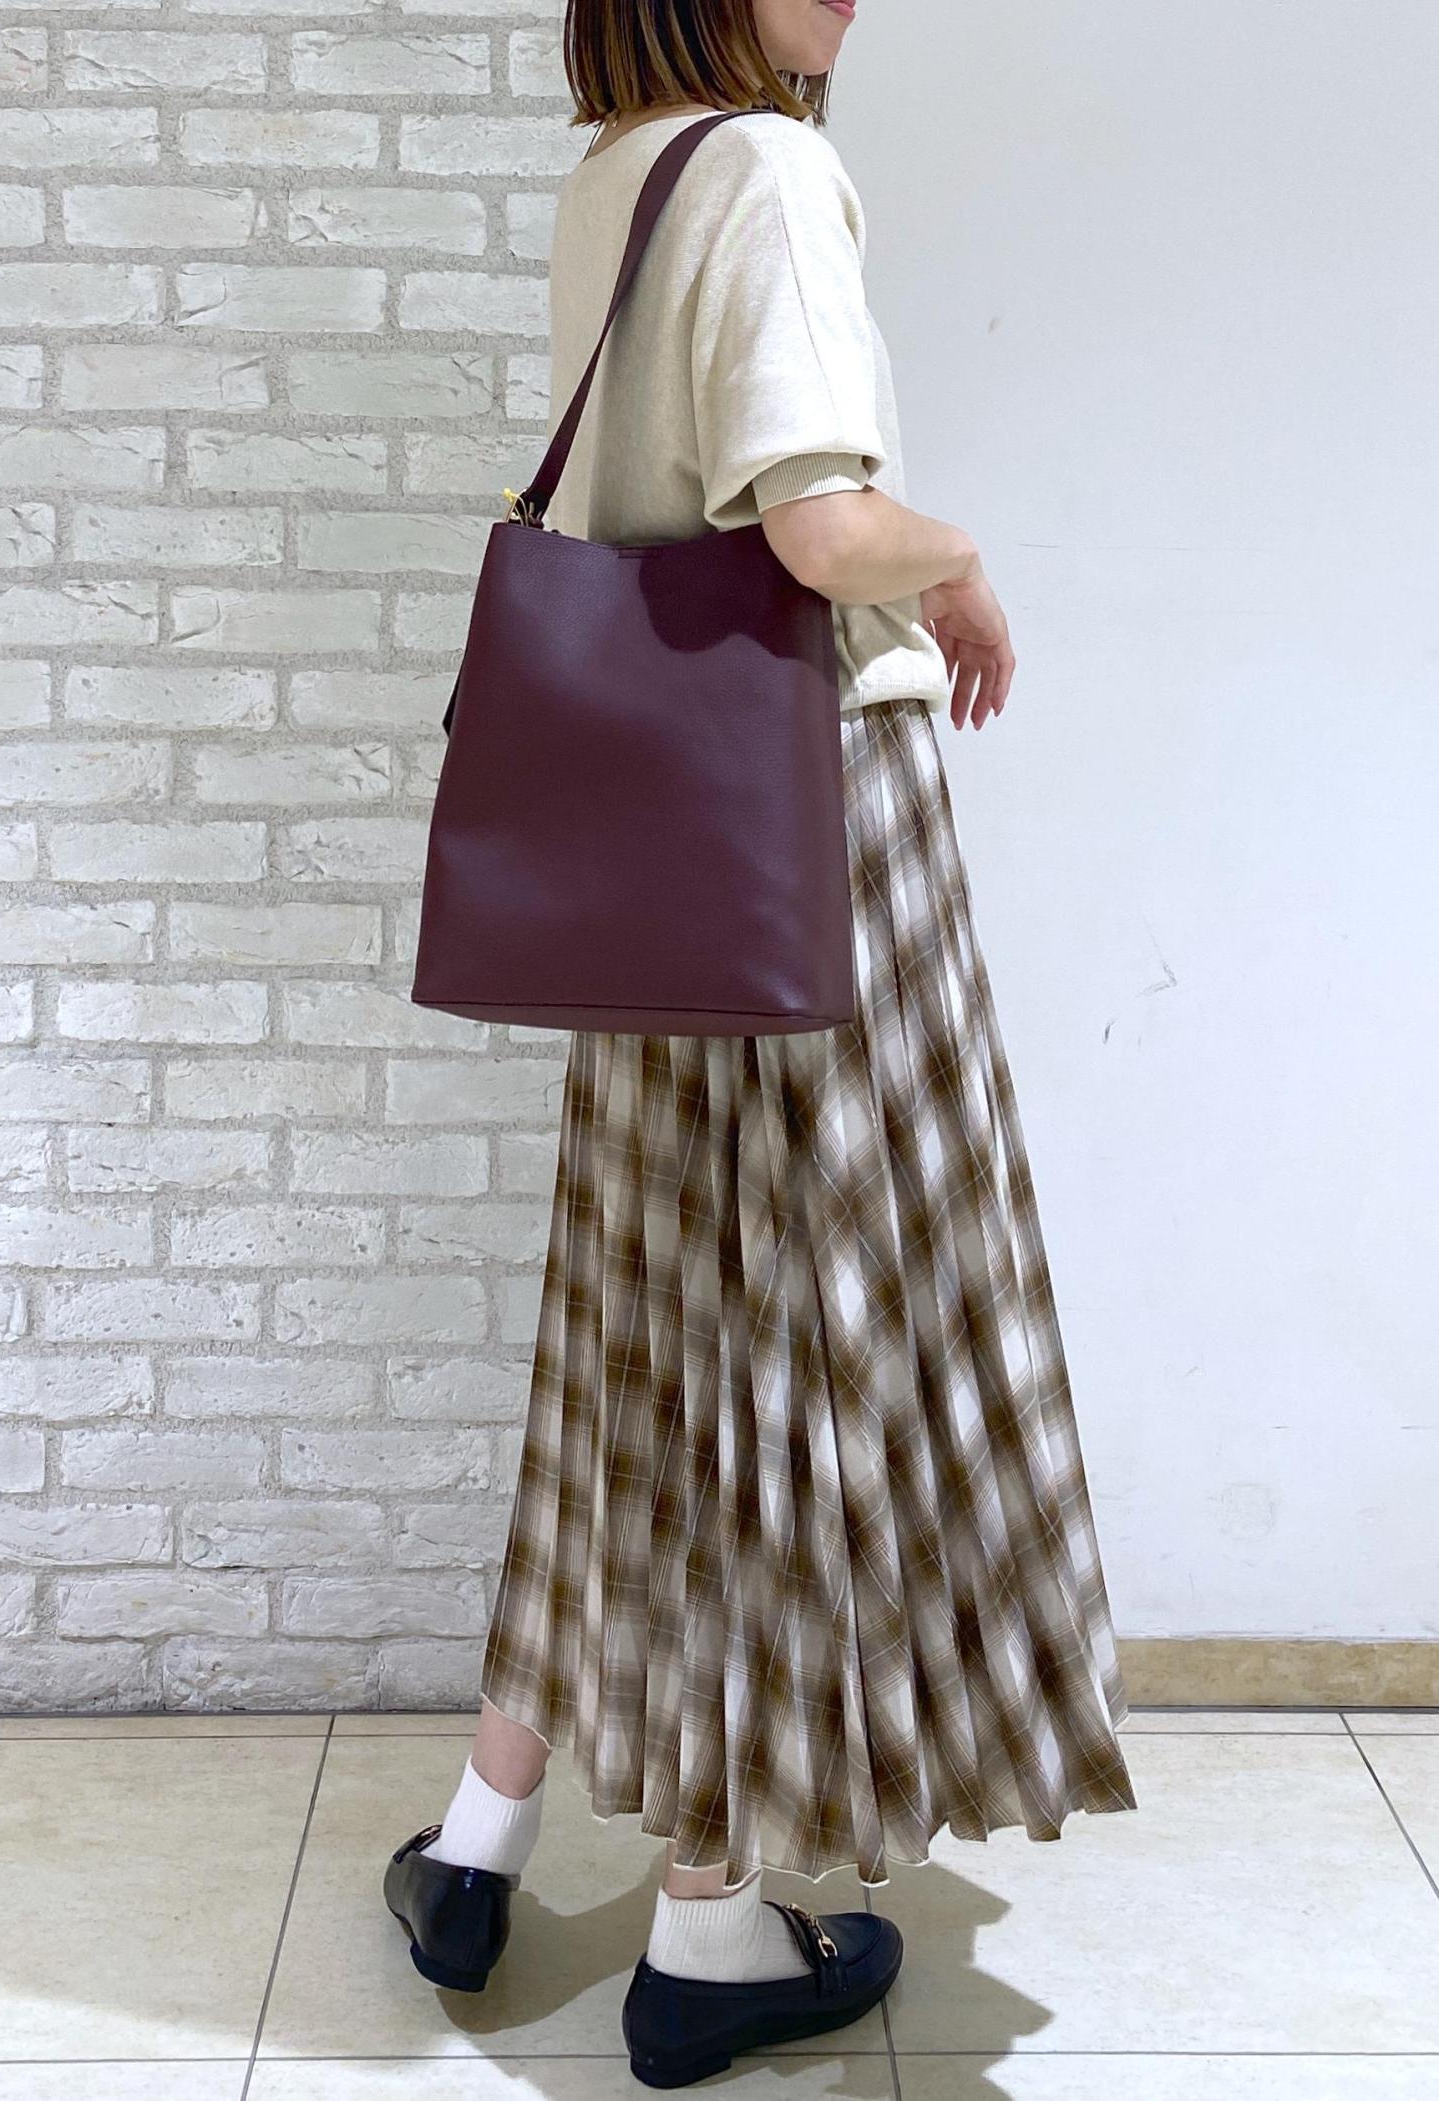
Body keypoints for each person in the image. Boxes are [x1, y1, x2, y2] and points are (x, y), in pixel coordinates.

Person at [383, 0, 1137, 2085]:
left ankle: (479, 1840)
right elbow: (816, 528)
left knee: (636, 1332)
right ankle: (709, 1928)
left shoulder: (615, 172)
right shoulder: (778, 169)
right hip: (805, 828)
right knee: (788, 1339)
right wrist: (957, 557)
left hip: (660, 856)